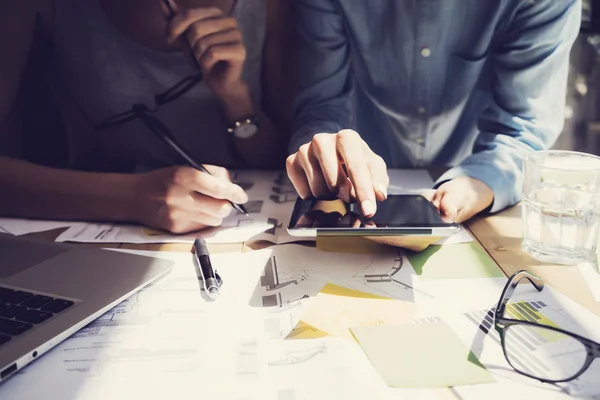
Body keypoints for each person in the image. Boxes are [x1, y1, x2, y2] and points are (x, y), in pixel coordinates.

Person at [0, 0, 293, 233]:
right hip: (99, 232)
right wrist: (132, 198)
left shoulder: (268, 6)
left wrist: (234, 95)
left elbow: (278, 158)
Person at [286, 0, 581, 223]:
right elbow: (320, 102)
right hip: (349, 186)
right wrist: (324, 150)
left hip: (475, 193)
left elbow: (524, 123)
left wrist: (478, 182)